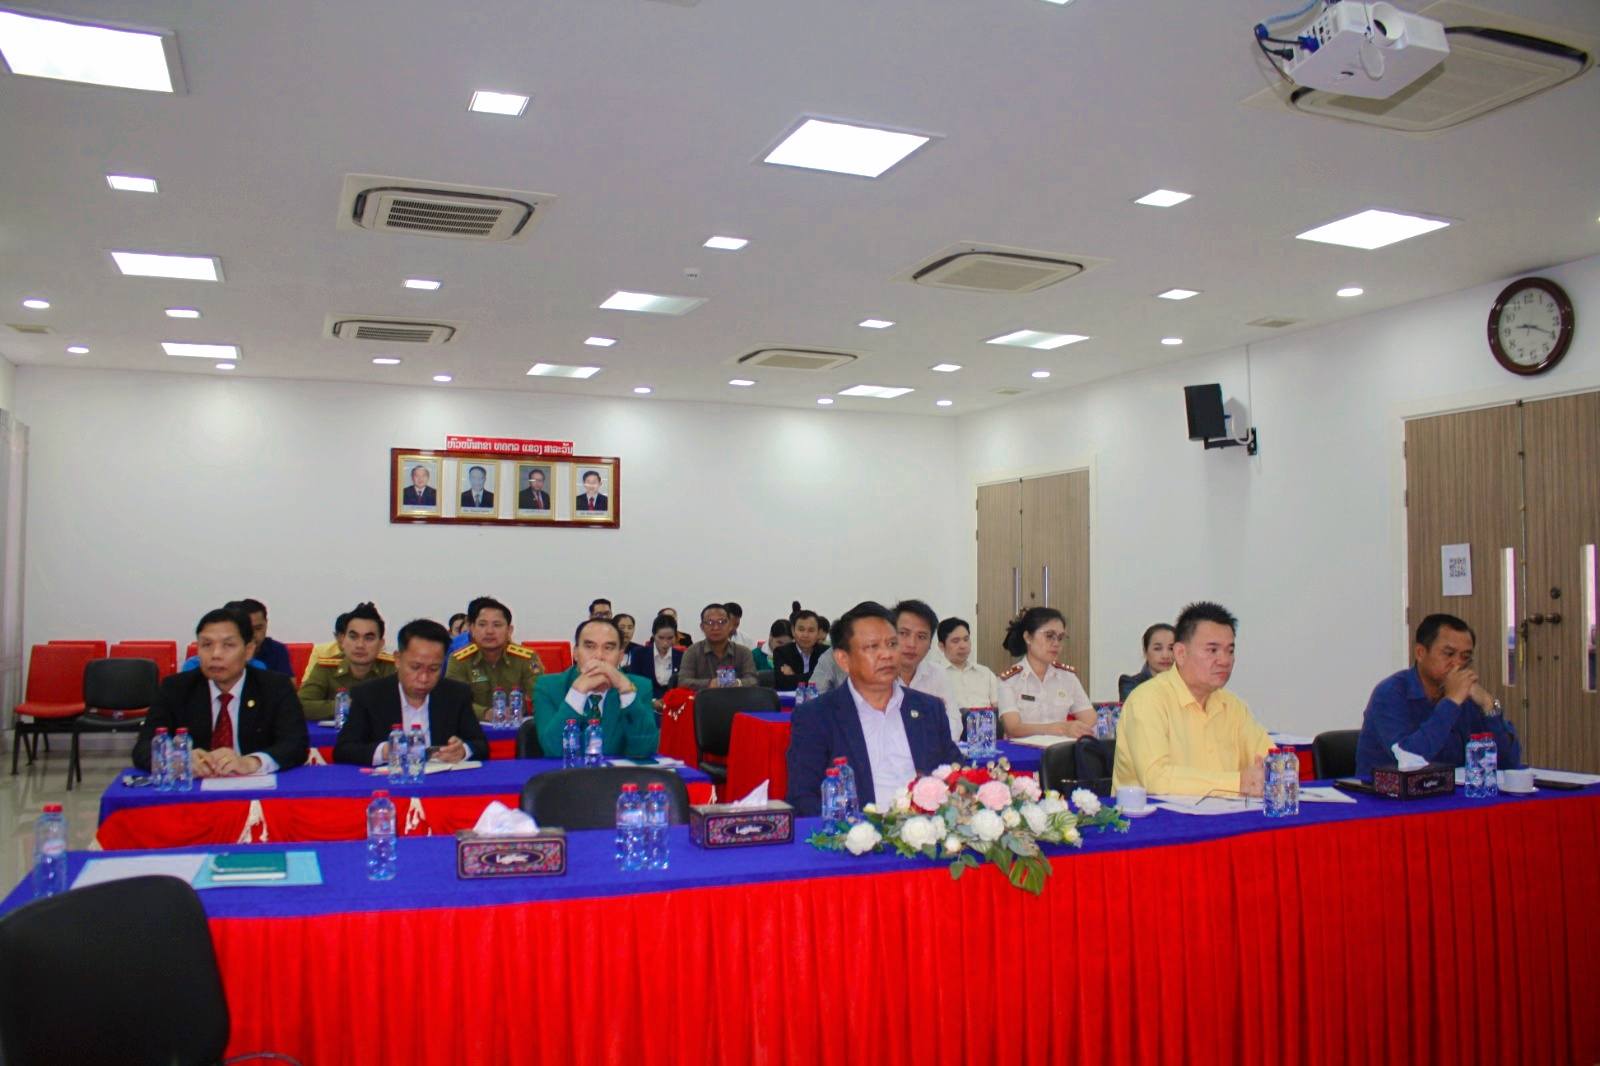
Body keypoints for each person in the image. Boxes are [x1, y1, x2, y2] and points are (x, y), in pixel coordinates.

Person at [786, 602, 963, 816]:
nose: (887, 654)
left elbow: (958, 775)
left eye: (892, 644)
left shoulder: (929, 709)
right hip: (856, 831)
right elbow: (803, 799)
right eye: (872, 647)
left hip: (927, 828)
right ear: (843, 659)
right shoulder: (816, 717)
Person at [1112, 601, 1273, 797]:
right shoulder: (1147, 701)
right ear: (1180, 653)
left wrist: (1269, 772)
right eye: (1212, 650)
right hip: (1156, 816)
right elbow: (1157, 780)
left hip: (1225, 813)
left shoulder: (1233, 706)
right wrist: (1238, 783)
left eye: (1230, 651)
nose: (1225, 660)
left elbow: (1271, 760)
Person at [132, 607, 309, 776]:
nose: (215, 654)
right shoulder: (175, 688)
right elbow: (143, 748)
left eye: (228, 645)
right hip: (195, 788)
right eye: (206, 645)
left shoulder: (275, 687)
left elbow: (296, 745)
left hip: (256, 787)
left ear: (248, 651)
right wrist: (177, 758)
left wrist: (251, 762)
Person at [1355, 613, 1522, 776]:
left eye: (1465, 657)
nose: (1458, 664)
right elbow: (1410, 760)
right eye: (1449, 654)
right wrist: (1451, 702)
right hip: (1386, 792)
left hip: (1450, 791)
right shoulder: (1390, 693)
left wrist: (1489, 705)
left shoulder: (1468, 697)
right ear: (1420, 653)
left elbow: (1509, 763)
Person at [334, 618, 487, 765]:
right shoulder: (369, 695)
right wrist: (384, 752)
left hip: (442, 778)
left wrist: (463, 751)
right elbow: (343, 750)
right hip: (389, 779)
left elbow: (481, 745)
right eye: (415, 667)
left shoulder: (456, 694)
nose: (424, 678)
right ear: (398, 659)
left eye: (434, 669)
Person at [534, 618, 659, 758]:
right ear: (576, 653)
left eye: (608, 648)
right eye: (590, 646)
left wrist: (626, 692)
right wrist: (577, 693)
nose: (599, 656)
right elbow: (553, 751)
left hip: (618, 772)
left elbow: (644, 750)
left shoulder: (638, 687)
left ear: (620, 656)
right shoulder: (548, 687)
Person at [997, 607, 1093, 741]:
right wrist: (1059, 728)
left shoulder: (1068, 677)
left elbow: (1090, 719)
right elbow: (1013, 729)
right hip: (1024, 750)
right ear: (1028, 637)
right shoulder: (1009, 680)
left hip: (1061, 750)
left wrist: (1075, 729)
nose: (1056, 643)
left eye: (1060, 638)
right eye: (1049, 636)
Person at [444, 596, 543, 719]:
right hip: (473, 726)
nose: (489, 631)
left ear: (509, 630)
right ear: (472, 629)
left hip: (516, 726)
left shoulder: (527, 658)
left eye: (497, 625)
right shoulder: (459, 660)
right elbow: (453, 700)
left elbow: (541, 696)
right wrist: (486, 713)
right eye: (482, 625)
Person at [299, 603, 396, 721]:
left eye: (369, 638)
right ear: (342, 640)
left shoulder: (393, 668)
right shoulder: (325, 667)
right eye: (353, 637)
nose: (360, 645)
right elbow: (300, 705)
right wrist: (347, 706)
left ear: (381, 644)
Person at [893, 599, 960, 740]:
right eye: (904, 633)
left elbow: (954, 723)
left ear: (930, 644)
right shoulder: (875, 676)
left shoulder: (938, 674)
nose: (912, 644)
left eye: (921, 637)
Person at [679, 603, 758, 689]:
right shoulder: (692, 652)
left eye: (721, 622)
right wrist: (710, 683)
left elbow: (753, 680)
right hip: (703, 697)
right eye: (710, 622)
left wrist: (737, 683)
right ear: (702, 627)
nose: (716, 627)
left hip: (736, 696)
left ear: (730, 626)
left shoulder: (743, 652)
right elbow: (683, 682)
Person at [938, 617, 999, 714]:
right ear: (942, 646)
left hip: (986, 722)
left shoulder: (985, 673)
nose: (963, 646)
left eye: (966, 639)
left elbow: (998, 708)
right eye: (955, 641)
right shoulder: (935, 674)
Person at [228, 598, 292, 676]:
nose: (253, 634)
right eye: (248, 628)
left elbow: (289, 682)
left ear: (266, 623)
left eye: (258, 628)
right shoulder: (227, 651)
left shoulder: (277, 650)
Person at [1118, 623, 1176, 702]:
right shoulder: (1131, 684)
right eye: (1157, 649)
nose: (1165, 655)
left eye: (1171, 648)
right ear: (1145, 652)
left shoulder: (1186, 683)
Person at [629, 614, 683, 697]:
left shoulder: (681, 656)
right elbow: (635, 683)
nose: (665, 643)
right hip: (646, 700)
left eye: (670, 638)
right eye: (661, 638)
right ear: (653, 635)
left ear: (675, 636)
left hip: (673, 701)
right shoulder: (639, 654)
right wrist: (652, 701)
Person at [774, 610, 826, 692]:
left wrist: (794, 676)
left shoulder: (826, 653)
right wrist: (815, 676)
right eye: (801, 630)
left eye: (811, 630)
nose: (805, 635)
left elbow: (828, 681)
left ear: (818, 633)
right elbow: (782, 683)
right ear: (793, 631)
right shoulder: (781, 652)